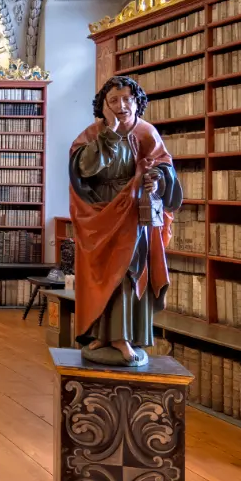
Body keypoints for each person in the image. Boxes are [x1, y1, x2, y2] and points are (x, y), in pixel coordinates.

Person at [69, 75, 183, 365]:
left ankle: (122, 337)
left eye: (127, 100)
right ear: (103, 105)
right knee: (100, 273)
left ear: (137, 102)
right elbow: (83, 169)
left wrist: (155, 181)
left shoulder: (146, 132)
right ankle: (100, 334)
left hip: (134, 214)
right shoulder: (93, 133)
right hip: (101, 213)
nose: (121, 106)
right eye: (114, 101)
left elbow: (165, 169)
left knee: (127, 273)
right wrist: (110, 132)